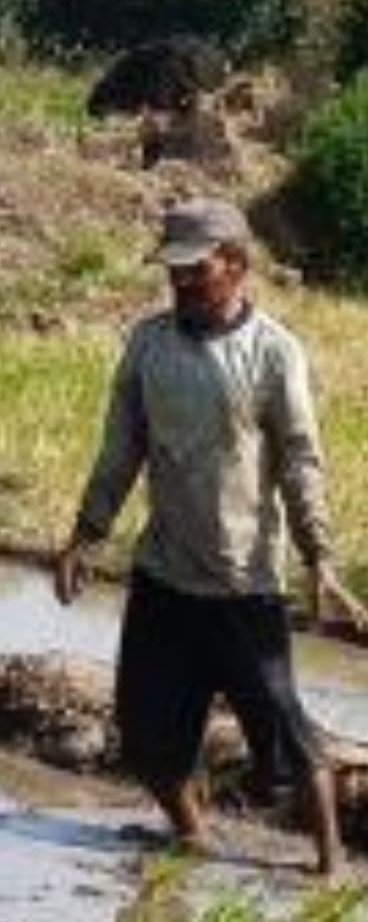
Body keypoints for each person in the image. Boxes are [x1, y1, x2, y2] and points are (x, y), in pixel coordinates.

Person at [56, 198, 358, 873]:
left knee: (285, 735)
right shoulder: (149, 344)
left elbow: (301, 460)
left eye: (196, 271)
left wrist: (319, 559)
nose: (182, 283)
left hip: (241, 584)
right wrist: (85, 533)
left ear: (237, 265)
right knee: (143, 733)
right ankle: (192, 832)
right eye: (174, 272)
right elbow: (121, 447)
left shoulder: (274, 354)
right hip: (164, 574)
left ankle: (330, 865)